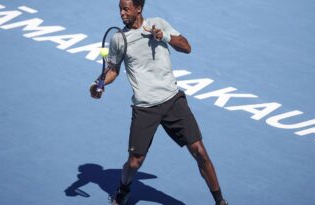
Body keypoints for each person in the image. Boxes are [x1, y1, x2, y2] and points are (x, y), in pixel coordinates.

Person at [90, 0, 228, 204]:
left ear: (139, 8)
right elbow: (113, 69)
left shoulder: (158, 24)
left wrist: (165, 37)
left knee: (200, 152)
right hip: (145, 108)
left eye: (126, 8)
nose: (121, 13)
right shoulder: (119, 39)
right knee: (135, 162)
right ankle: (123, 189)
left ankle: (220, 201)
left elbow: (186, 47)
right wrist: (99, 83)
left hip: (173, 100)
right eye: (119, 8)